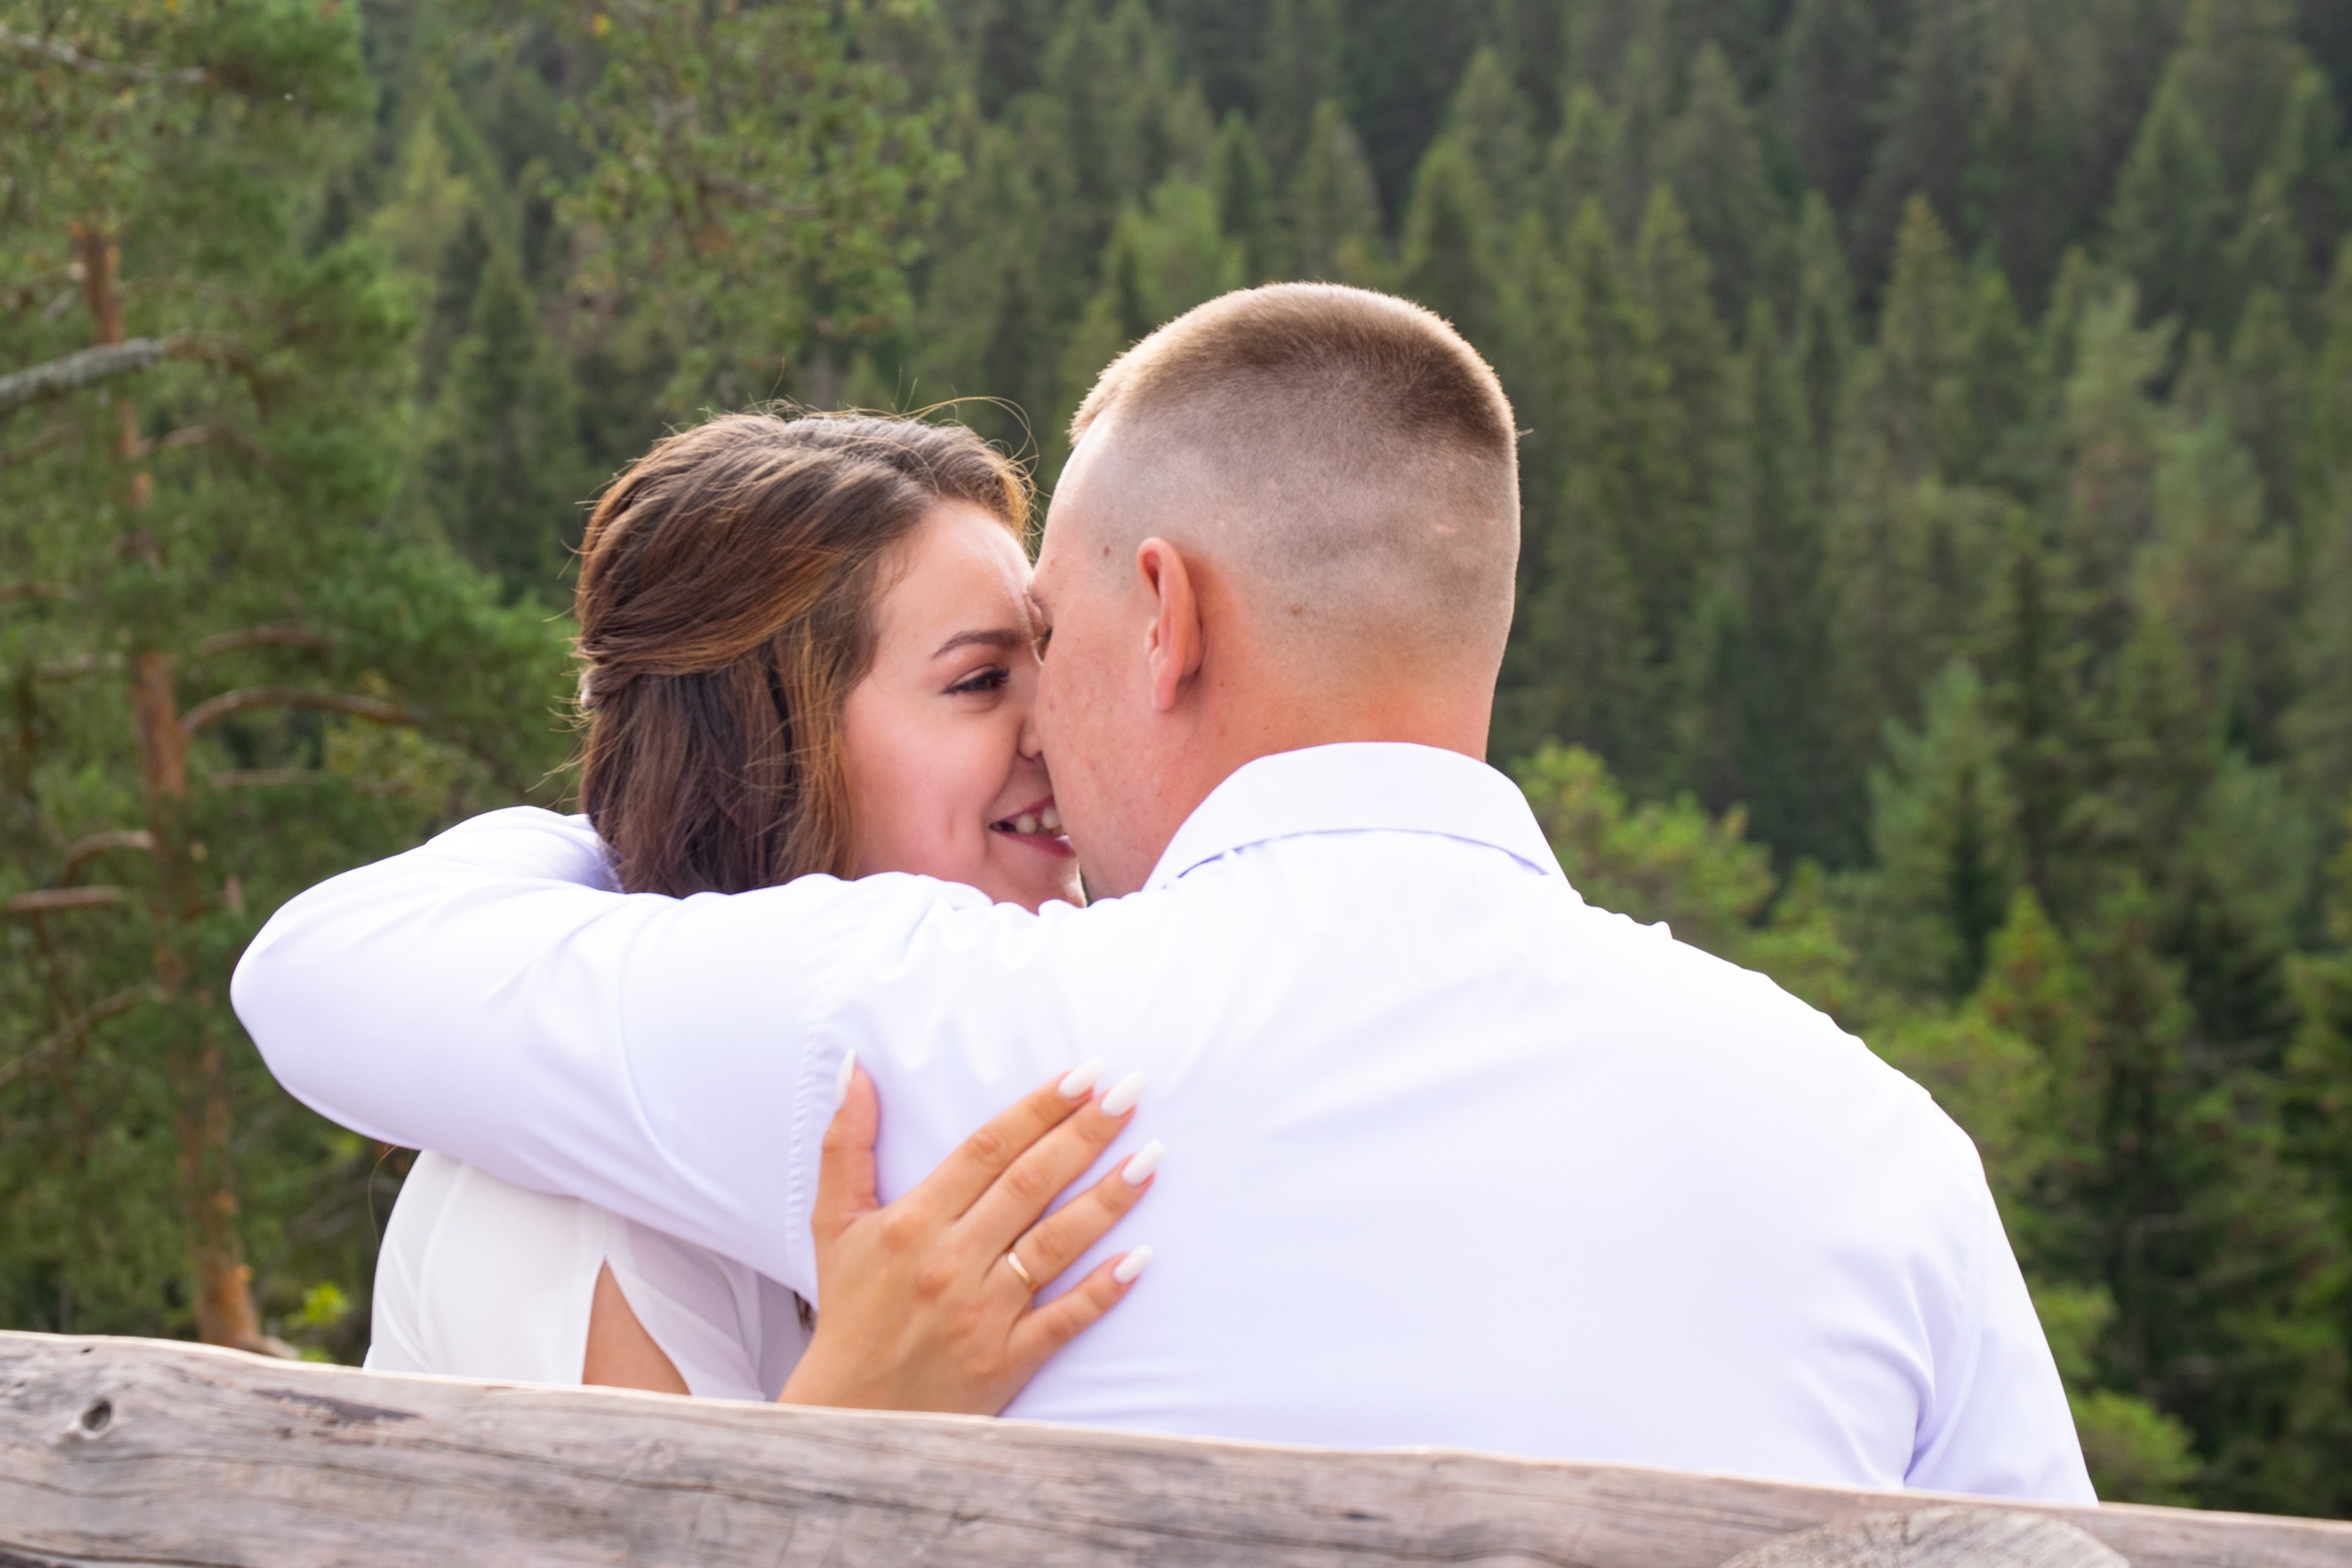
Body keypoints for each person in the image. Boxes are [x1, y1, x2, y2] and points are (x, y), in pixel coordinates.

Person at [236, 284, 2095, 1497]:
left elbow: (326, 975)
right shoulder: (1874, 1142)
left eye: (1037, 644)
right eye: (984, 672)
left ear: (1166, 612)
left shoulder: (941, 1034)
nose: (1040, 723)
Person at [364, 413, 1157, 1408]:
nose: (1060, 727)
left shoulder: (990, 1085)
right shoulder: (574, 1207)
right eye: (981, 680)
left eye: (1051, 661)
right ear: (765, 748)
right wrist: (867, 1410)